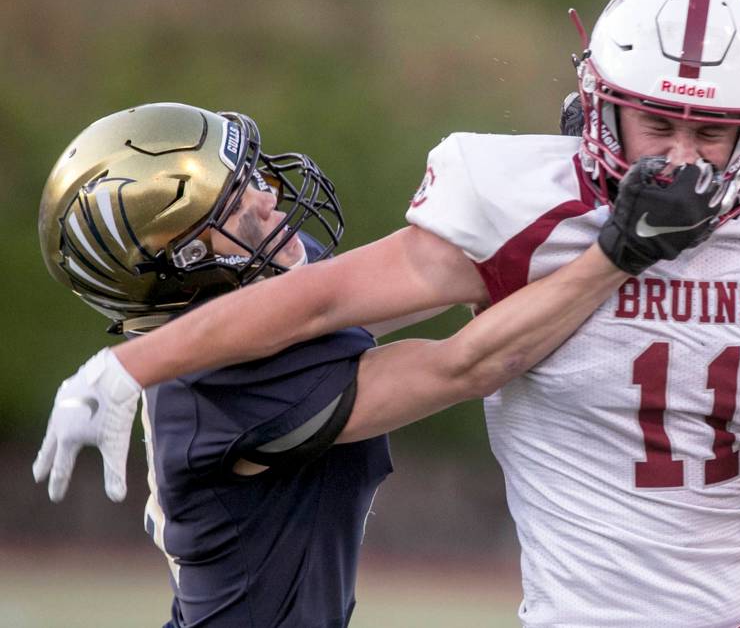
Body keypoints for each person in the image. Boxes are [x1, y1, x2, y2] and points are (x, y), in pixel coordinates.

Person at [34, 0, 740, 628]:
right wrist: (128, 364)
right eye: (658, 121)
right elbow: (334, 307)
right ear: (602, 102)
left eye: (712, 131)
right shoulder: (516, 201)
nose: (680, 154)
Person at [33, 102, 704, 627]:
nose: (268, 199)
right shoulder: (213, 388)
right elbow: (465, 365)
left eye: (252, 177)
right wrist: (618, 250)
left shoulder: (254, 302)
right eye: (235, 208)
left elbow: (442, 273)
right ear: (178, 269)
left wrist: (579, 175)